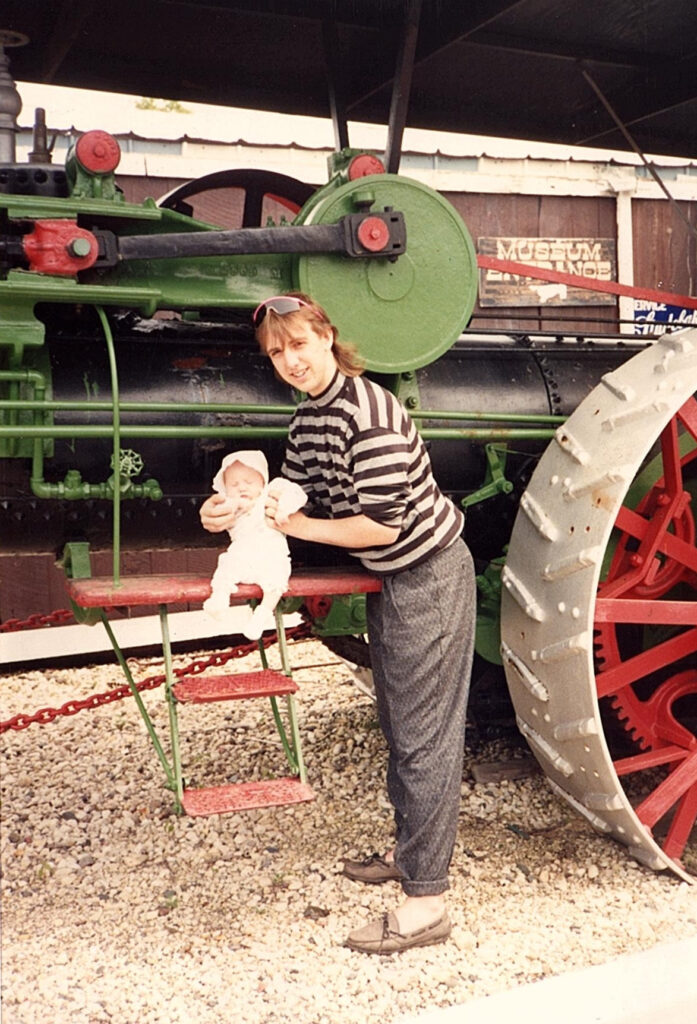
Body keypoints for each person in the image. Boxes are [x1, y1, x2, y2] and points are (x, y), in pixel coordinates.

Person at [200, 293, 475, 955]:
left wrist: (291, 524)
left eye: (298, 343)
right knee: (401, 725)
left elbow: (377, 525)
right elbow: (286, 493)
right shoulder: (309, 419)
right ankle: (412, 854)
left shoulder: (368, 413)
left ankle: (425, 902)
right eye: (276, 352)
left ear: (326, 335)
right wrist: (232, 506)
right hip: (394, 577)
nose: (289, 360)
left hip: (429, 574)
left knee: (423, 739)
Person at [202, 449, 306, 640]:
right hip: (242, 554)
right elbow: (220, 513)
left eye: (249, 482)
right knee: (226, 565)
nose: (241, 488)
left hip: (271, 554)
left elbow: (297, 494)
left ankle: (261, 616)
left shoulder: (270, 496)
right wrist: (231, 505)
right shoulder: (232, 508)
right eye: (234, 484)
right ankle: (219, 597)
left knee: (276, 580)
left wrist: (284, 508)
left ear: (262, 482)